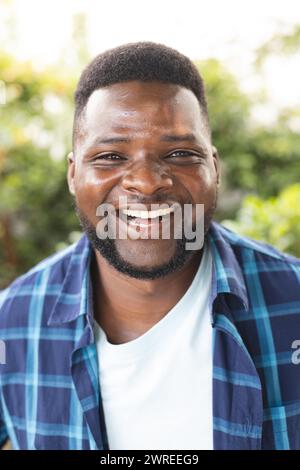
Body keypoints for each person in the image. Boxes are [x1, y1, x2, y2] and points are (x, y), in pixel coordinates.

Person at [0, 42, 300, 451]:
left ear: (213, 167)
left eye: (179, 153)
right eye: (109, 156)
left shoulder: (294, 301)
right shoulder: (13, 322)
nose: (145, 181)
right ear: (74, 174)